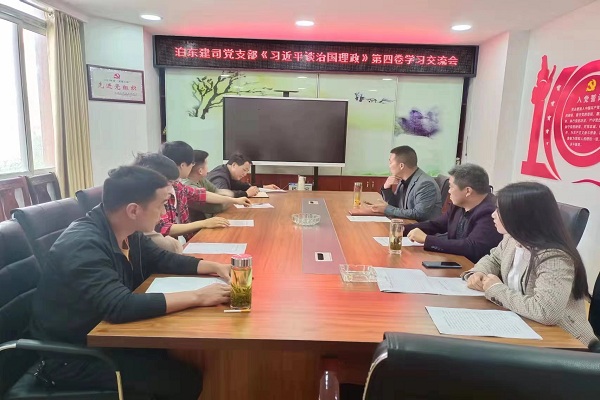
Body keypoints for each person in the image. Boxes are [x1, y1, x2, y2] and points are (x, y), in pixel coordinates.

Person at [29, 165, 233, 399]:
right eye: (161, 205)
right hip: (71, 356)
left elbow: (162, 259)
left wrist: (215, 267)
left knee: (177, 357)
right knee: (181, 380)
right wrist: (198, 296)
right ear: (134, 210)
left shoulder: (125, 230)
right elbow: (119, 306)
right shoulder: (83, 244)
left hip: (104, 338)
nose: (164, 212)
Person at [463, 182, 597, 346]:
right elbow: (494, 259)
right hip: (525, 327)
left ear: (520, 217)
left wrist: (496, 289)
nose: (493, 215)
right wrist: (479, 272)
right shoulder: (512, 239)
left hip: (565, 342)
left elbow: (546, 312)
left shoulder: (554, 258)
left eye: (499, 210)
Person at [403, 164, 502, 263]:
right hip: (454, 261)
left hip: (472, 267)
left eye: (451, 187)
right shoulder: (458, 205)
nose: (449, 191)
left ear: (468, 191)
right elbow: (437, 225)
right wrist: (402, 229)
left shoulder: (490, 212)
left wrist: (426, 240)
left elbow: (471, 247)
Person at [157, 142, 252, 240]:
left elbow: (201, 194)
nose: (192, 166)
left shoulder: (177, 185)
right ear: (183, 165)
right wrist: (205, 223)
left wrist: (235, 200)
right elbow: (165, 228)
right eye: (192, 163)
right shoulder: (160, 190)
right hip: (164, 244)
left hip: (177, 241)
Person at [370, 146, 441, 221]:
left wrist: (386, 209)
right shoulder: (403, 179)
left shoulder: (425, 184)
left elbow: (419, 214)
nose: (389, 166)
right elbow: (395, 206)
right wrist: (386, 188)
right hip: (406, 223)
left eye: (390, 163)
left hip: (421, 227)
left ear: (401, 166)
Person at [182, 150, 234, 218]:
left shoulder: (201, 179)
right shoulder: (188, 187)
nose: (208, 167)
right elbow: (216, 208)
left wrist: (228, 197)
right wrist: (232, 199)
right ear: (200, 171)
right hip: (199, 223)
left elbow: (216, 190)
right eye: (206, 164)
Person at [207, 153, 280, 198]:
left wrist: (263, 187)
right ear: (234, 165)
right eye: (244, 170)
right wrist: (246, 194)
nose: (245, 174)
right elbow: (223, 195)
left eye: (247, 171)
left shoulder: (228, 172)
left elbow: (241, 186)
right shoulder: (219, 176)